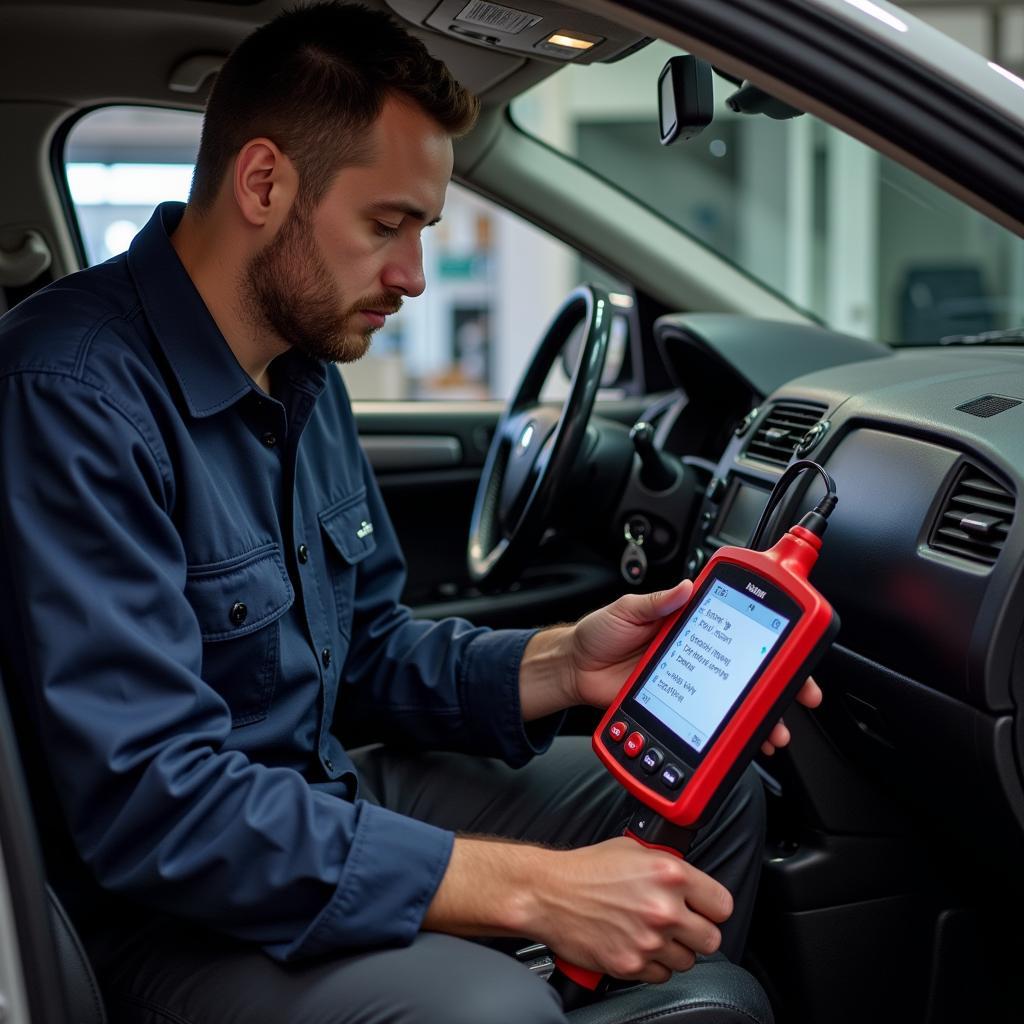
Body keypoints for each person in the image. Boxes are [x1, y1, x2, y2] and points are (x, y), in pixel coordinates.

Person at [0, 4, 821, 1022]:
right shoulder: (72, 395)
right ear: (263, 184)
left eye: (422, 231)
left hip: (313, 796)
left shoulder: (300, 365)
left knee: (708, 794)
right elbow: (155, 805)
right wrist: (532, 891)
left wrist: (564, 663)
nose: (412, 276)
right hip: (161, 913)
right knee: (487, 1008)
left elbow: (365, 651)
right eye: (385, 224)